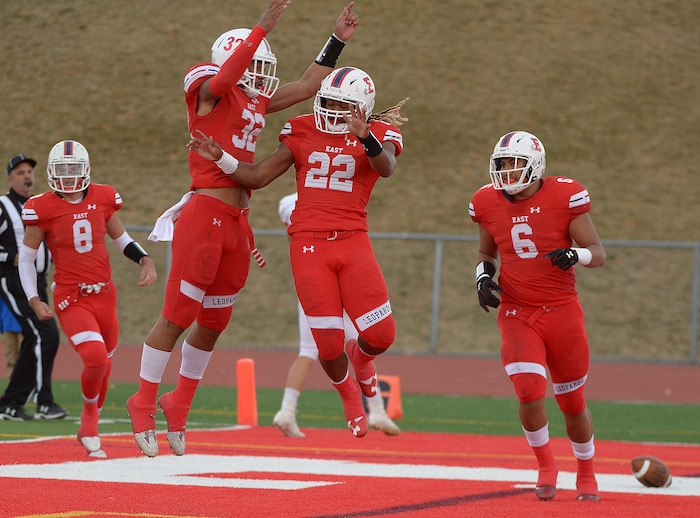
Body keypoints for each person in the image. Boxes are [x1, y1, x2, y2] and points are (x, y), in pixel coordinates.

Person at [126, 0, 359, 458]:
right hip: (204, 214)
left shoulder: (254, 100)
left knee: (213, 323)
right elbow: (222, 80)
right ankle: (143, 399)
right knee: (177, 316)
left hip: (237, 220)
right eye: (254, 62)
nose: (260, 73)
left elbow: (311, 83)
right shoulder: (206, 87)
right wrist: (260, 28)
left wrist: (337, 40)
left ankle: (180, 403)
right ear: (234, 57)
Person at [187, 66, 407, 438]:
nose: (334, 110)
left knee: (382, 335)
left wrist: (365, 138)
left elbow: (385, 167)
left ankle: (361, 363)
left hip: (353, 238)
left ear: (363, 107)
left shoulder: (380, 133)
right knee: (328, 342)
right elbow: (258, 175)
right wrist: (222, 157)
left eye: (344, 104)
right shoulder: (302, 128)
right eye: (330, 102)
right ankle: (349, 395)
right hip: (309, 244)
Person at [468, 131, 606, 502]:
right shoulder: (486, 200)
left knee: (572, 402)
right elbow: (487, 253)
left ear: (535, 165)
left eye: (514, 164)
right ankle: (546, 465)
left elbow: (598, 252)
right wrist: (483, 277)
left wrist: (576, 256)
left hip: (562, 311)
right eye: (502, 164)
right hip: (517, 310)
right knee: (528, 390)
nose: (507, 172)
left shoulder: (564, 195)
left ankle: (587, 471)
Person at [19, 140, 157, 457]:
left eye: (74, 169)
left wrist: (145, 260)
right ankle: (90, 419)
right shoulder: (42, 207)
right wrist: (33, 299)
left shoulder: (103, 197)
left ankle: (88, 425)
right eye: (62, 171)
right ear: (52, 173)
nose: (68, 177)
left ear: (86, 170)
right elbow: (27, 259)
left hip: (105, 294)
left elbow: (121, 239)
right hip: (71, 297)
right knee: (95, 357)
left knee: (104, 364)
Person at [273, 193, 400, 438]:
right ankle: (375, 410)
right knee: (324, 347)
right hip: (321, 275)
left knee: (361, 340)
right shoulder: (306, 198)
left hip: (333, 272)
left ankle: (375, 410)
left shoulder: (296, 200)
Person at [0, 154, 65, 421]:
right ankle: (44, 402)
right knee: (45, 334)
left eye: (30, 171)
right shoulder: (3, 206)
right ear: (10, 179)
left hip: (37, 282)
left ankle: (11, 402)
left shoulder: (37, 205)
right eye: (21, 172)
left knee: (38, 336)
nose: (28, 176)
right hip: (14, 281)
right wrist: (8, 256)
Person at [1, 298, 22, 376]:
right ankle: (12, 385)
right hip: (7, 325)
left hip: (25, 327)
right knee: (11, 361)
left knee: (26, 359)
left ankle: (26, 386)